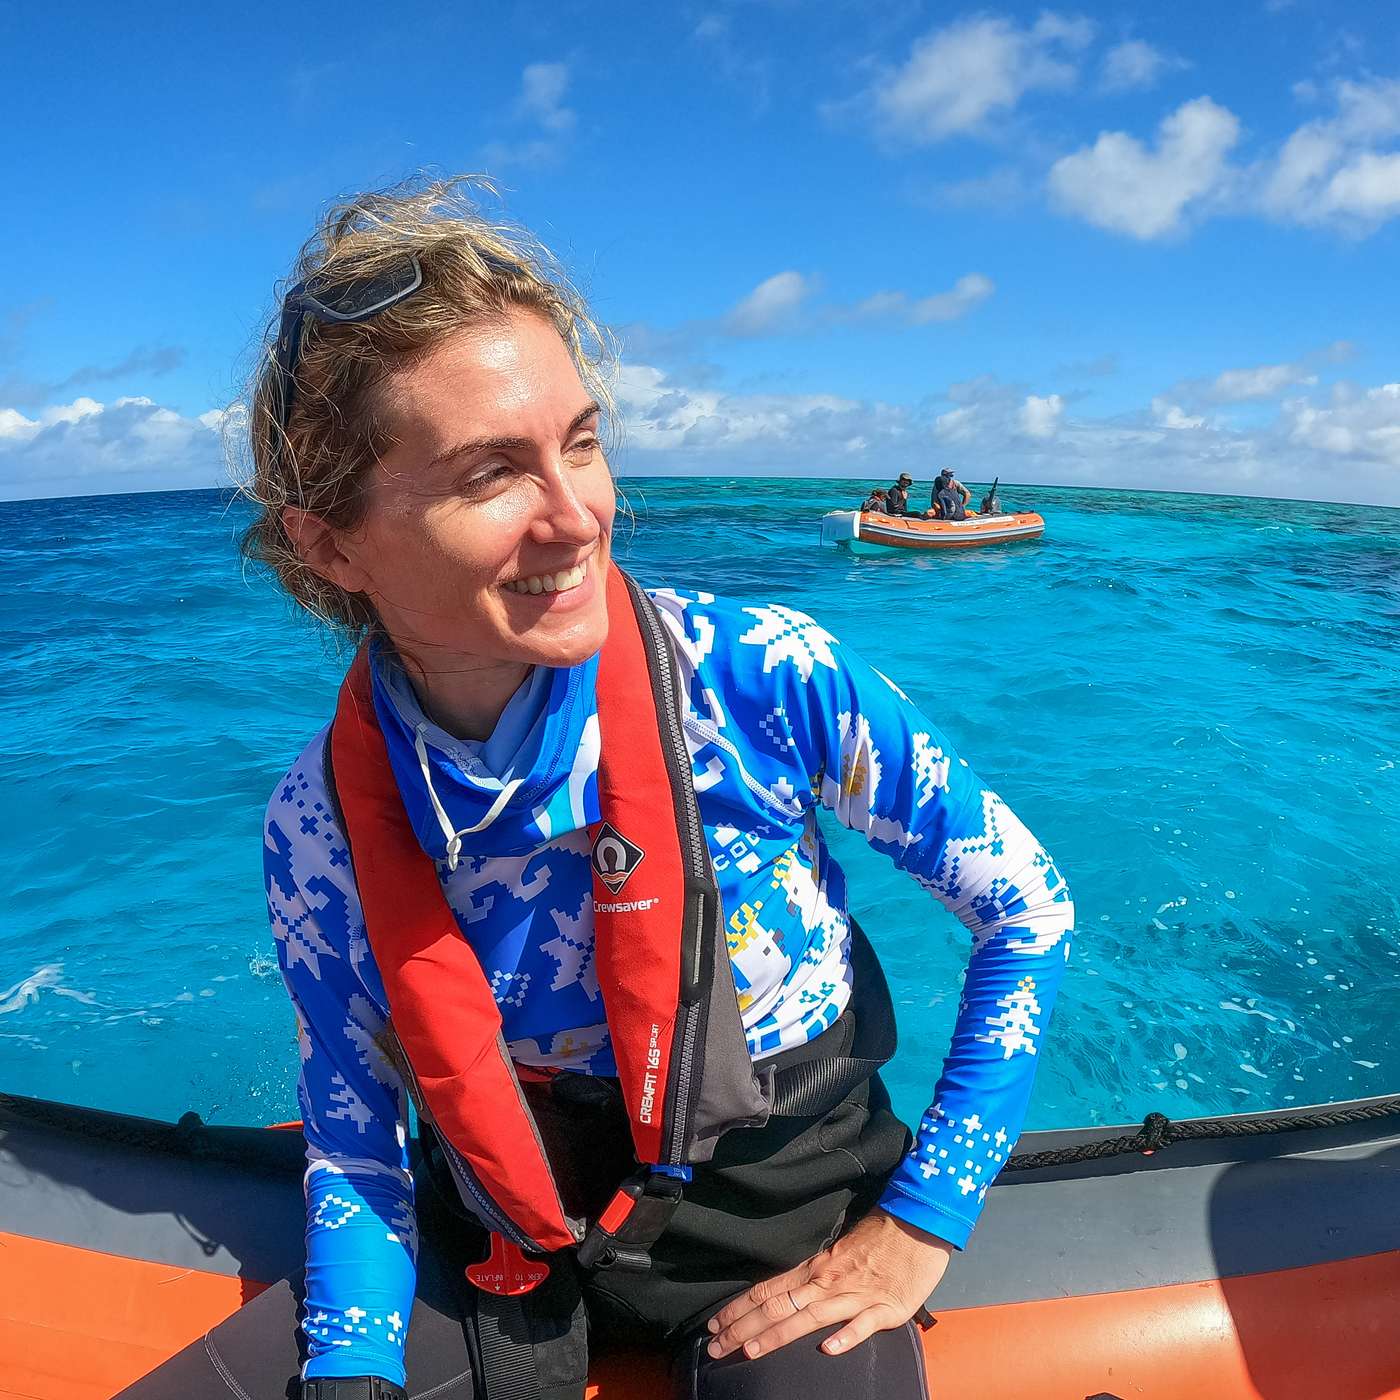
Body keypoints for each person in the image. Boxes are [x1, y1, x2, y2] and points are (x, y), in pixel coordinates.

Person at [122, 179, 1073, 1400]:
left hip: (774, 1247)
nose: (579, 516)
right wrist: (352, 1367)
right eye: (490, 473)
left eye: (581, 439)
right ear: (332, 544)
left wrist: (923, 1219)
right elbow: (355, 1133)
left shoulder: (758, 679)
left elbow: (1027, 904)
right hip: (498, 1251)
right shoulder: (318, 824)